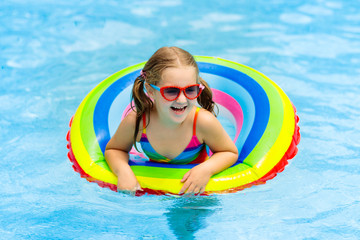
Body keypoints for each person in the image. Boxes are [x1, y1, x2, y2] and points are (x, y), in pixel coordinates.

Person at [105, 47, 238, 195]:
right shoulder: (138, 122)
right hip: (154, 189)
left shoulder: (202, 122)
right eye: (171, 91)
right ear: (150, 90)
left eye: (190, 90)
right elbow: (115, 149)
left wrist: (206, 169)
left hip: (195, 195)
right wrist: (123, 171)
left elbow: (229, 152)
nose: (182, 99)